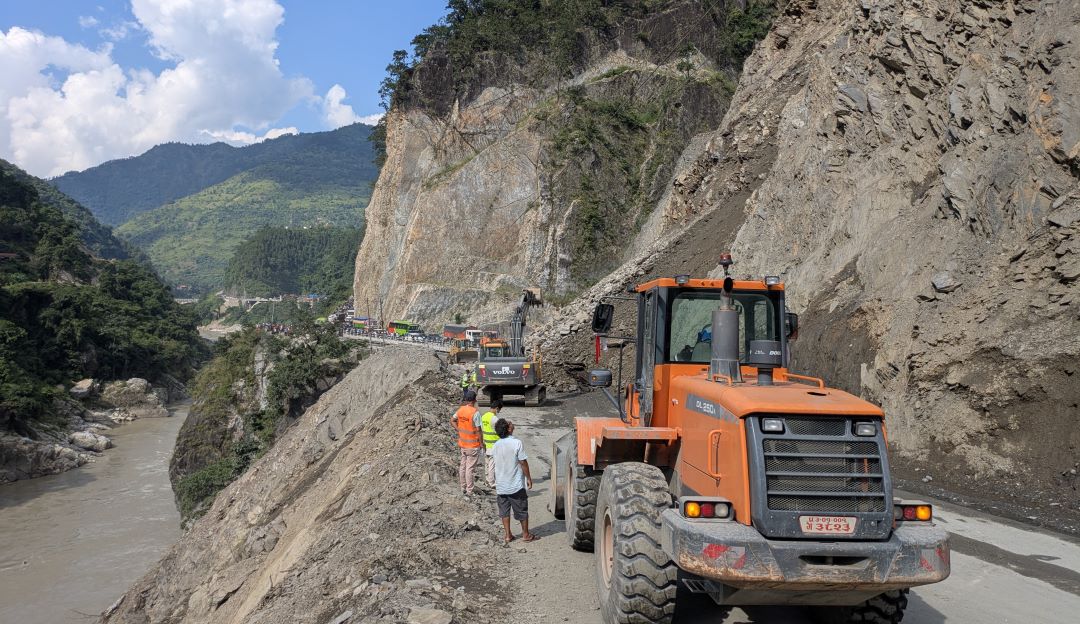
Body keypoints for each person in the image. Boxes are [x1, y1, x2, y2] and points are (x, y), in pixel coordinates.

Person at [492, 418, 536, 544]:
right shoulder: (516, 443)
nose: (512, 424)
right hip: (515, 485)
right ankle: (526, 535)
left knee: (504, 511)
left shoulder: (496, 445)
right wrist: (528, 478)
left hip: (501, 485)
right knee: (522, 509)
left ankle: (508, 535)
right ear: (508, 429)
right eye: (509, 423)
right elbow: (523, 462)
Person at [454, 390, 483, 496]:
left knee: (462, 466)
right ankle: (470, 490)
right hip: (473, 446)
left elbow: (452, 420)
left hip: (463, 445)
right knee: (469, 469)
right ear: (475, 400)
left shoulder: (461, 410)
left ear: (466, 399)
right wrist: (481, 444)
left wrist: (458, 429)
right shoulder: (475, 413)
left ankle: (463, 487)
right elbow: (479, 430)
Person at [478, 398, 503, 488]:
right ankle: (491, 482)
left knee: (487, 463)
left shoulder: (484, 416)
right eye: (499, 410)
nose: (498, 411)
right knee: (492, 464)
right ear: (496, 408)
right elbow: (500, 430)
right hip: (493, 444)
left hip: (486, 443)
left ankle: (487, 480)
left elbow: (481, 429)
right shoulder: (494, 418)